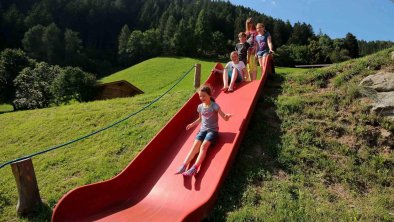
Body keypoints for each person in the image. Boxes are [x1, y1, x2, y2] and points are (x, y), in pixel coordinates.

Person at [175, 85, 232, 176]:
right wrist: (191, 124)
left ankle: (195, 167)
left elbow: (224, 117)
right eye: (200, 96)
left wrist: (227, 117)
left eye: (204, 96)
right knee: (195, 145)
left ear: (209, 95)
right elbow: (200, 119)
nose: (202, 98)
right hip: (202, 130)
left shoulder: (214, 106)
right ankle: (184, 165)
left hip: (212, 131)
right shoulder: (200, 107)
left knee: (204, 146)